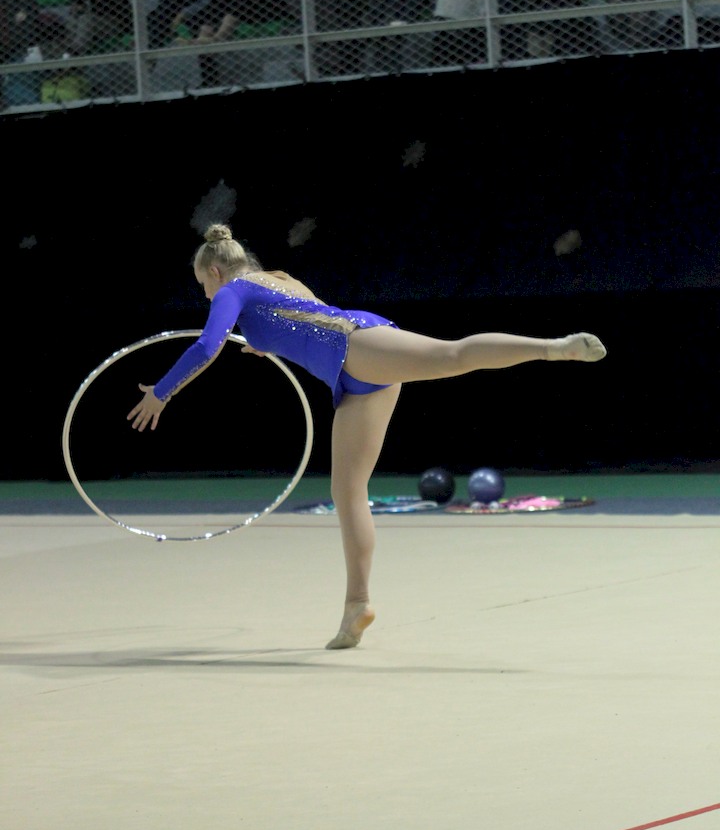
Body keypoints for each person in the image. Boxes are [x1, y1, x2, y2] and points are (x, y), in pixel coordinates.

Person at [127, 223, 608, 651]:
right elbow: (297, 317)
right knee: (347, 492)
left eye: (203, 286)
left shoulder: (232, 291)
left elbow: (208, 345)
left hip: (357, 344)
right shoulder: (277, 279)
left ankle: (555, 347)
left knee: (451, 356)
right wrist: (264, 342)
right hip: (351, 379)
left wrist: (161, 393)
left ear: (214, 272)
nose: (206, 295)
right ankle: (356, 605)